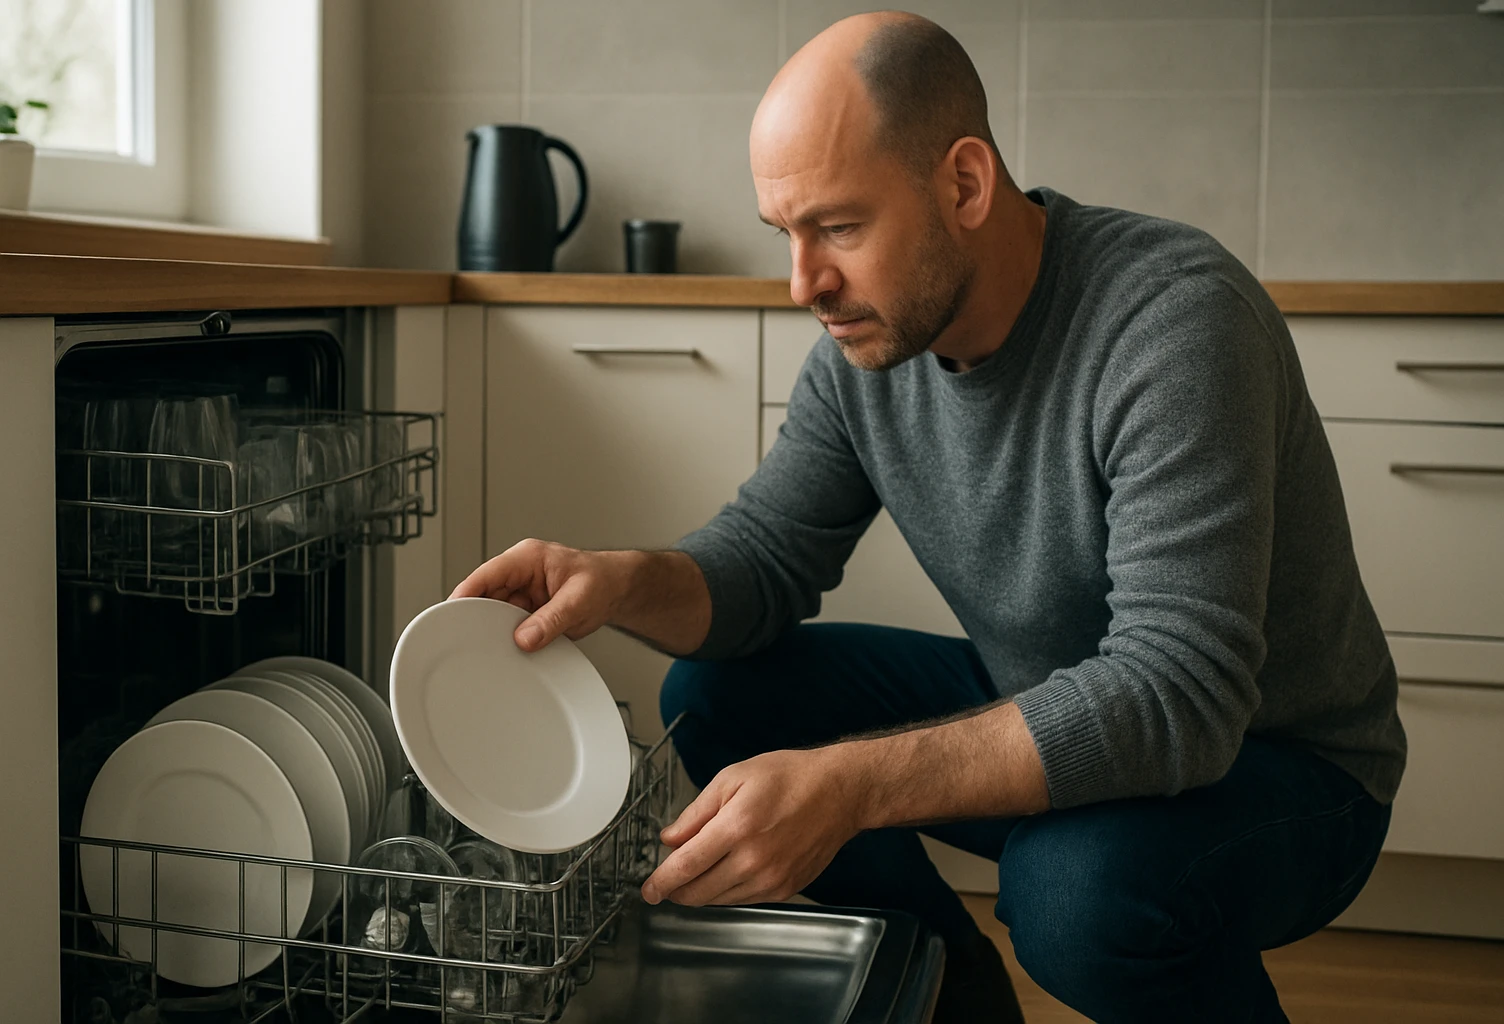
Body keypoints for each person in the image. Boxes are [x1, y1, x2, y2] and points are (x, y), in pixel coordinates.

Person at [452, 11, 1406, 1023]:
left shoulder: (1172, 321)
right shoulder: (863, 351)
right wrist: (624, 580)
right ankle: (953, 993)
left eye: (841, 227)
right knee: (718, 694)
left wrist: (850, 787)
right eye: (788, 234)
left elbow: (1180, 695)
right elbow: (766, 562)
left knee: (1072, 893)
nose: (804, 283)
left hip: (1281, 765)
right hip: (1049, 694)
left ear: (964, 184)